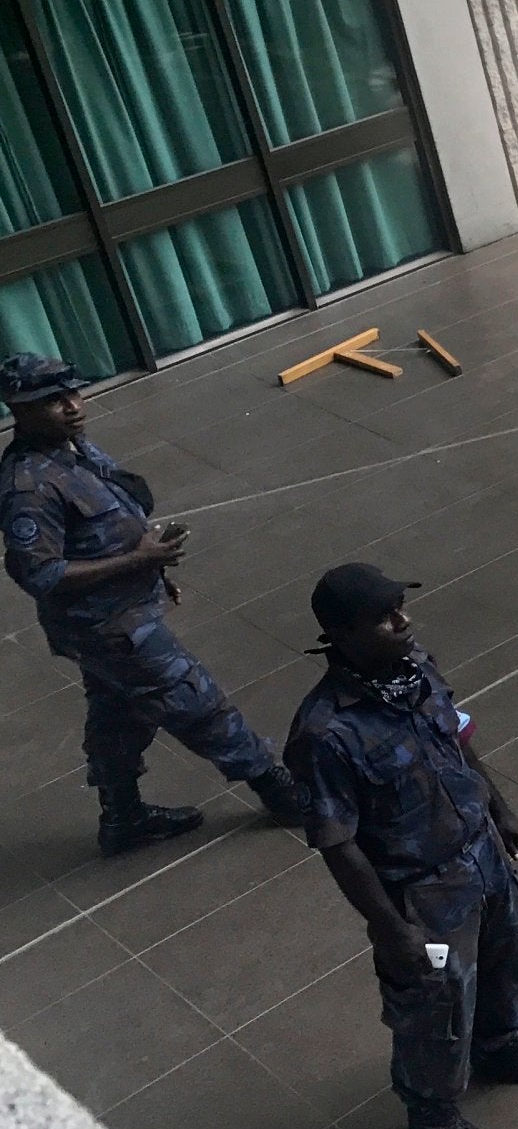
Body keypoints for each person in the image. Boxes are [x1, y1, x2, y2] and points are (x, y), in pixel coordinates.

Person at [284, 563, 518, 1129]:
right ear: (342, 633)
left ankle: (498, 1047)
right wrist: (391, 929)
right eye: (384, 616)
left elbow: (457, 739)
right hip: (422, 895)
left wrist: (500, 806)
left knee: (508, 957)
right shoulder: (326, 732)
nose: (402, 621)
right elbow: (339, 844)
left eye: (401, 607)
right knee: (435, 1005)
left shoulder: (416, 669)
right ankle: (432, 1113)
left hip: (481, 856)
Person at [0, 353, 310, 854]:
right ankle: (278, 790)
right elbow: (41, 573)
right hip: (108, 626)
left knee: (118, 713)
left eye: (74, 394)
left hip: (117, 615)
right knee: (195, 699)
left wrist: (150, 568)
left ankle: (122, 818)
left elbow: (113, 517)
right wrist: (135, 562)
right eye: (55, 401)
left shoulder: (70, 448)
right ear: (20, 408)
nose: (74, 406)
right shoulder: (28, 487)